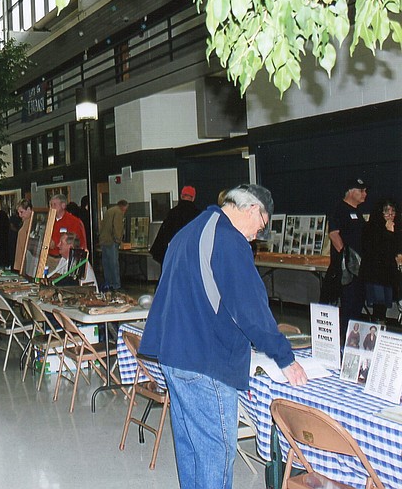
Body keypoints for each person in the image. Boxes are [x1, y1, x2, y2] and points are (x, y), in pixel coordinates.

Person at [140, 184, 307, 489]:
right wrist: (286, 358)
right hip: (206, 364)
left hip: (175, 357)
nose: (257, 235)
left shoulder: (191, 231)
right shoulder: (228, 239)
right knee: (216, 453)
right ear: (253, 209)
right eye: (261, 226)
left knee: (192, 449)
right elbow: (251, 309)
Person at [328, 178, 368, 343]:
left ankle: (354, 342)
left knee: (357, 305)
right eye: (362, 191)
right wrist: (346, 258)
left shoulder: (357, 212)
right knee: (347, 305)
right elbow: (334, 234)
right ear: (352, 191)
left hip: (360, 268)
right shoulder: (339, 209)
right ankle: (343, 341)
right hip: (347, 270)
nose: (365, 194)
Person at [359, 200, 402, 322]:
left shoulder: (397, 227)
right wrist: (388, 233)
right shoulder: (371, 228)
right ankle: (377, 328)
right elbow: (377, 250)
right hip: (375, 274)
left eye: (393, 211)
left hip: (388, 274)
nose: (390, 214)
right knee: (378, 304)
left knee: (384, 306)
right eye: (386, 211)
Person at [149, 185, 200, 265]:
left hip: (173, 254)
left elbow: (163, 236)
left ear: (181, 196)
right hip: (191, 254)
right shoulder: (198, 214)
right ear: (193, 198)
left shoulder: (172, 213)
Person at [99, 199, 129, 291]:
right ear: (123, 206)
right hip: (112, 241)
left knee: (106, 264)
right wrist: (118, 240)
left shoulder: (109, 211)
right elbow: (117, 227)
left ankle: (109, 283)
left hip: (104, 240)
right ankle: (116, 285)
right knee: (114, 264)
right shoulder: (119, 212)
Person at [48, 193, 86, 260]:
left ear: (63, 205)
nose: (52, 208)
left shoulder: (74, 221)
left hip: (65, 258)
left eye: (54, 205)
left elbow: (76, 242)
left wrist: (55, 243)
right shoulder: (48, 221)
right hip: (49, 256)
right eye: (50, 205)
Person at [13, 199, 33, 272]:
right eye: (18, 213)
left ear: (29, 209)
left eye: (22, 212)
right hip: (23, 261)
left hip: (29, 261)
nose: (20, 215)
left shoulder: (32, 223)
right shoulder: (25, 222)